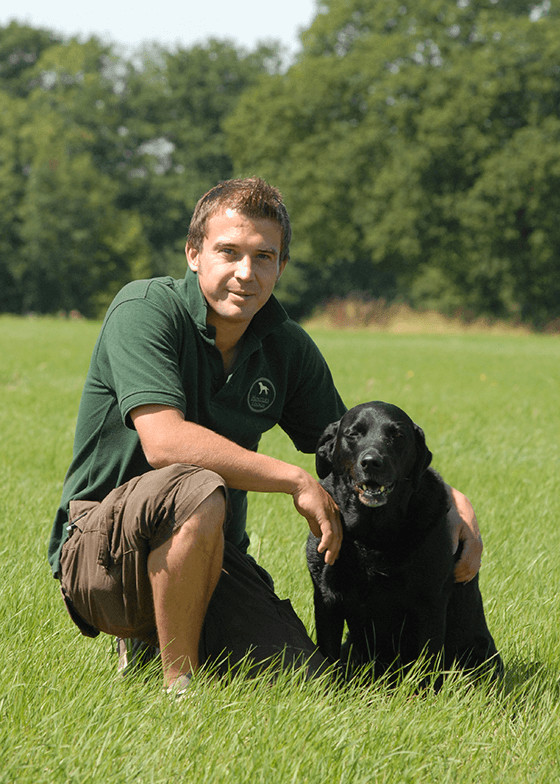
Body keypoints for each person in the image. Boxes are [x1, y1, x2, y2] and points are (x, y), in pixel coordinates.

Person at [48, 176, 482, 695]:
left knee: (302, 679)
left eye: (264, 256)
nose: (245, 273)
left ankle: (166, 630)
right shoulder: (144, 309)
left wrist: (453, 504)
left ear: (281, 265)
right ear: (193, 253)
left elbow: (357, 445)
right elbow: (163, 443)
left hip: (213, 556)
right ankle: (176, 685)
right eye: (228, 252)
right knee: (199, 487)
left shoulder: (285, 345)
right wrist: (295, 480)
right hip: (100, 551)